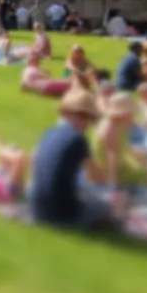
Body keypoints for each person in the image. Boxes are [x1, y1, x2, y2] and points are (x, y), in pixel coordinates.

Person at [28, 89, 116, 229]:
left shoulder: (48, 133)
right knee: (108, 203)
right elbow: (97, 176)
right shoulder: (77, 139)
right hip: (63, 215)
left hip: (36, 208)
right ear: (86, 118)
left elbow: (34, 161)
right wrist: (113, 189)